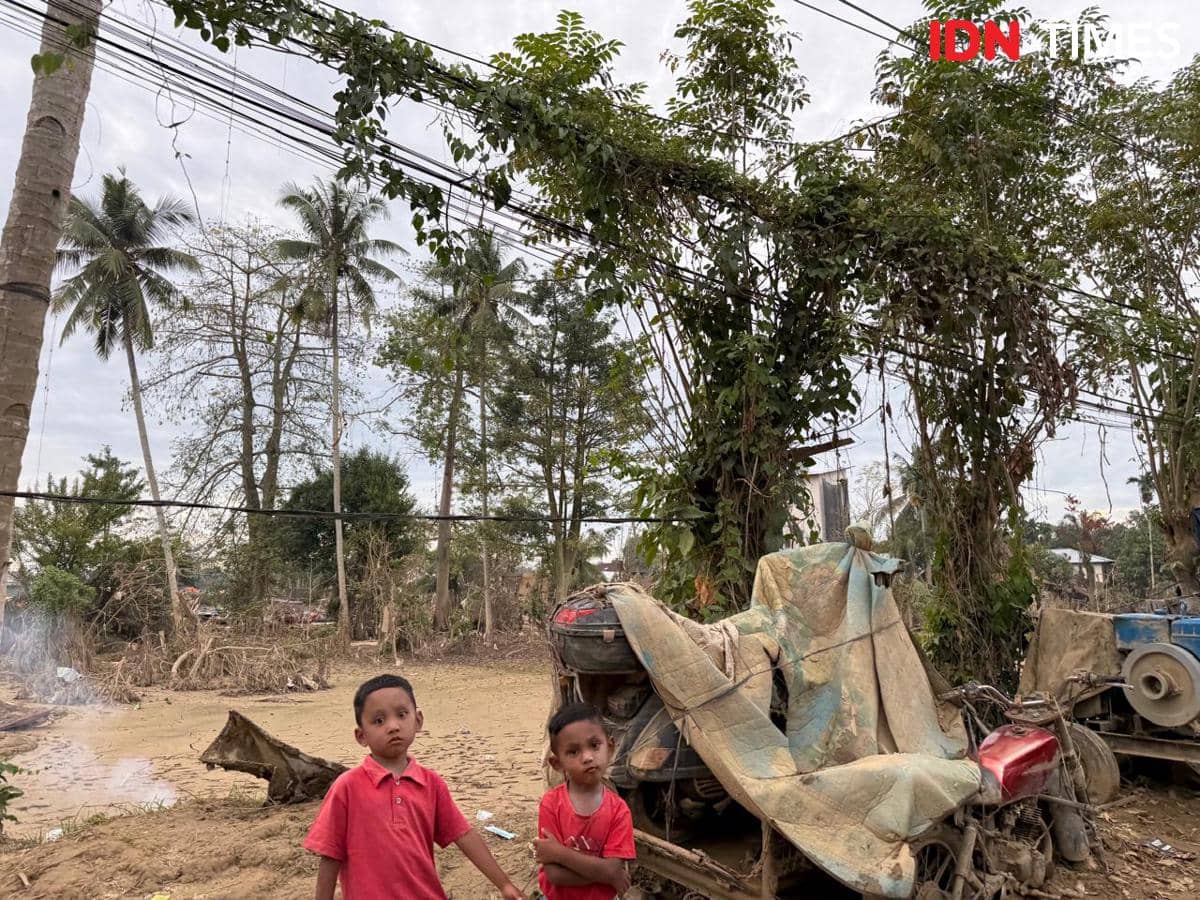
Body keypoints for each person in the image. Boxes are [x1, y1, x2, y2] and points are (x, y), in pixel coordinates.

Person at [303, 673, 525, 900]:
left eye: (401, 715)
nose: (392, 726)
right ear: (361, 736)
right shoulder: (347, 787)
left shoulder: (431, 784)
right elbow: (330, 855)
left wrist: (504, 884)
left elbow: (464, 835)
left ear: (417, 720)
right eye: (379, 721)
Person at [534, 702, 635, 899]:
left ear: (610, 747)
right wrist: (602, 872)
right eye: (573, 752)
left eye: (595, 745)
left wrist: (559, 853)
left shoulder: (619, 810)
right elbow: (554, 875)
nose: (588, 757)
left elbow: (612, 870)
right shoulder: (551, 804)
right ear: (557, 763)